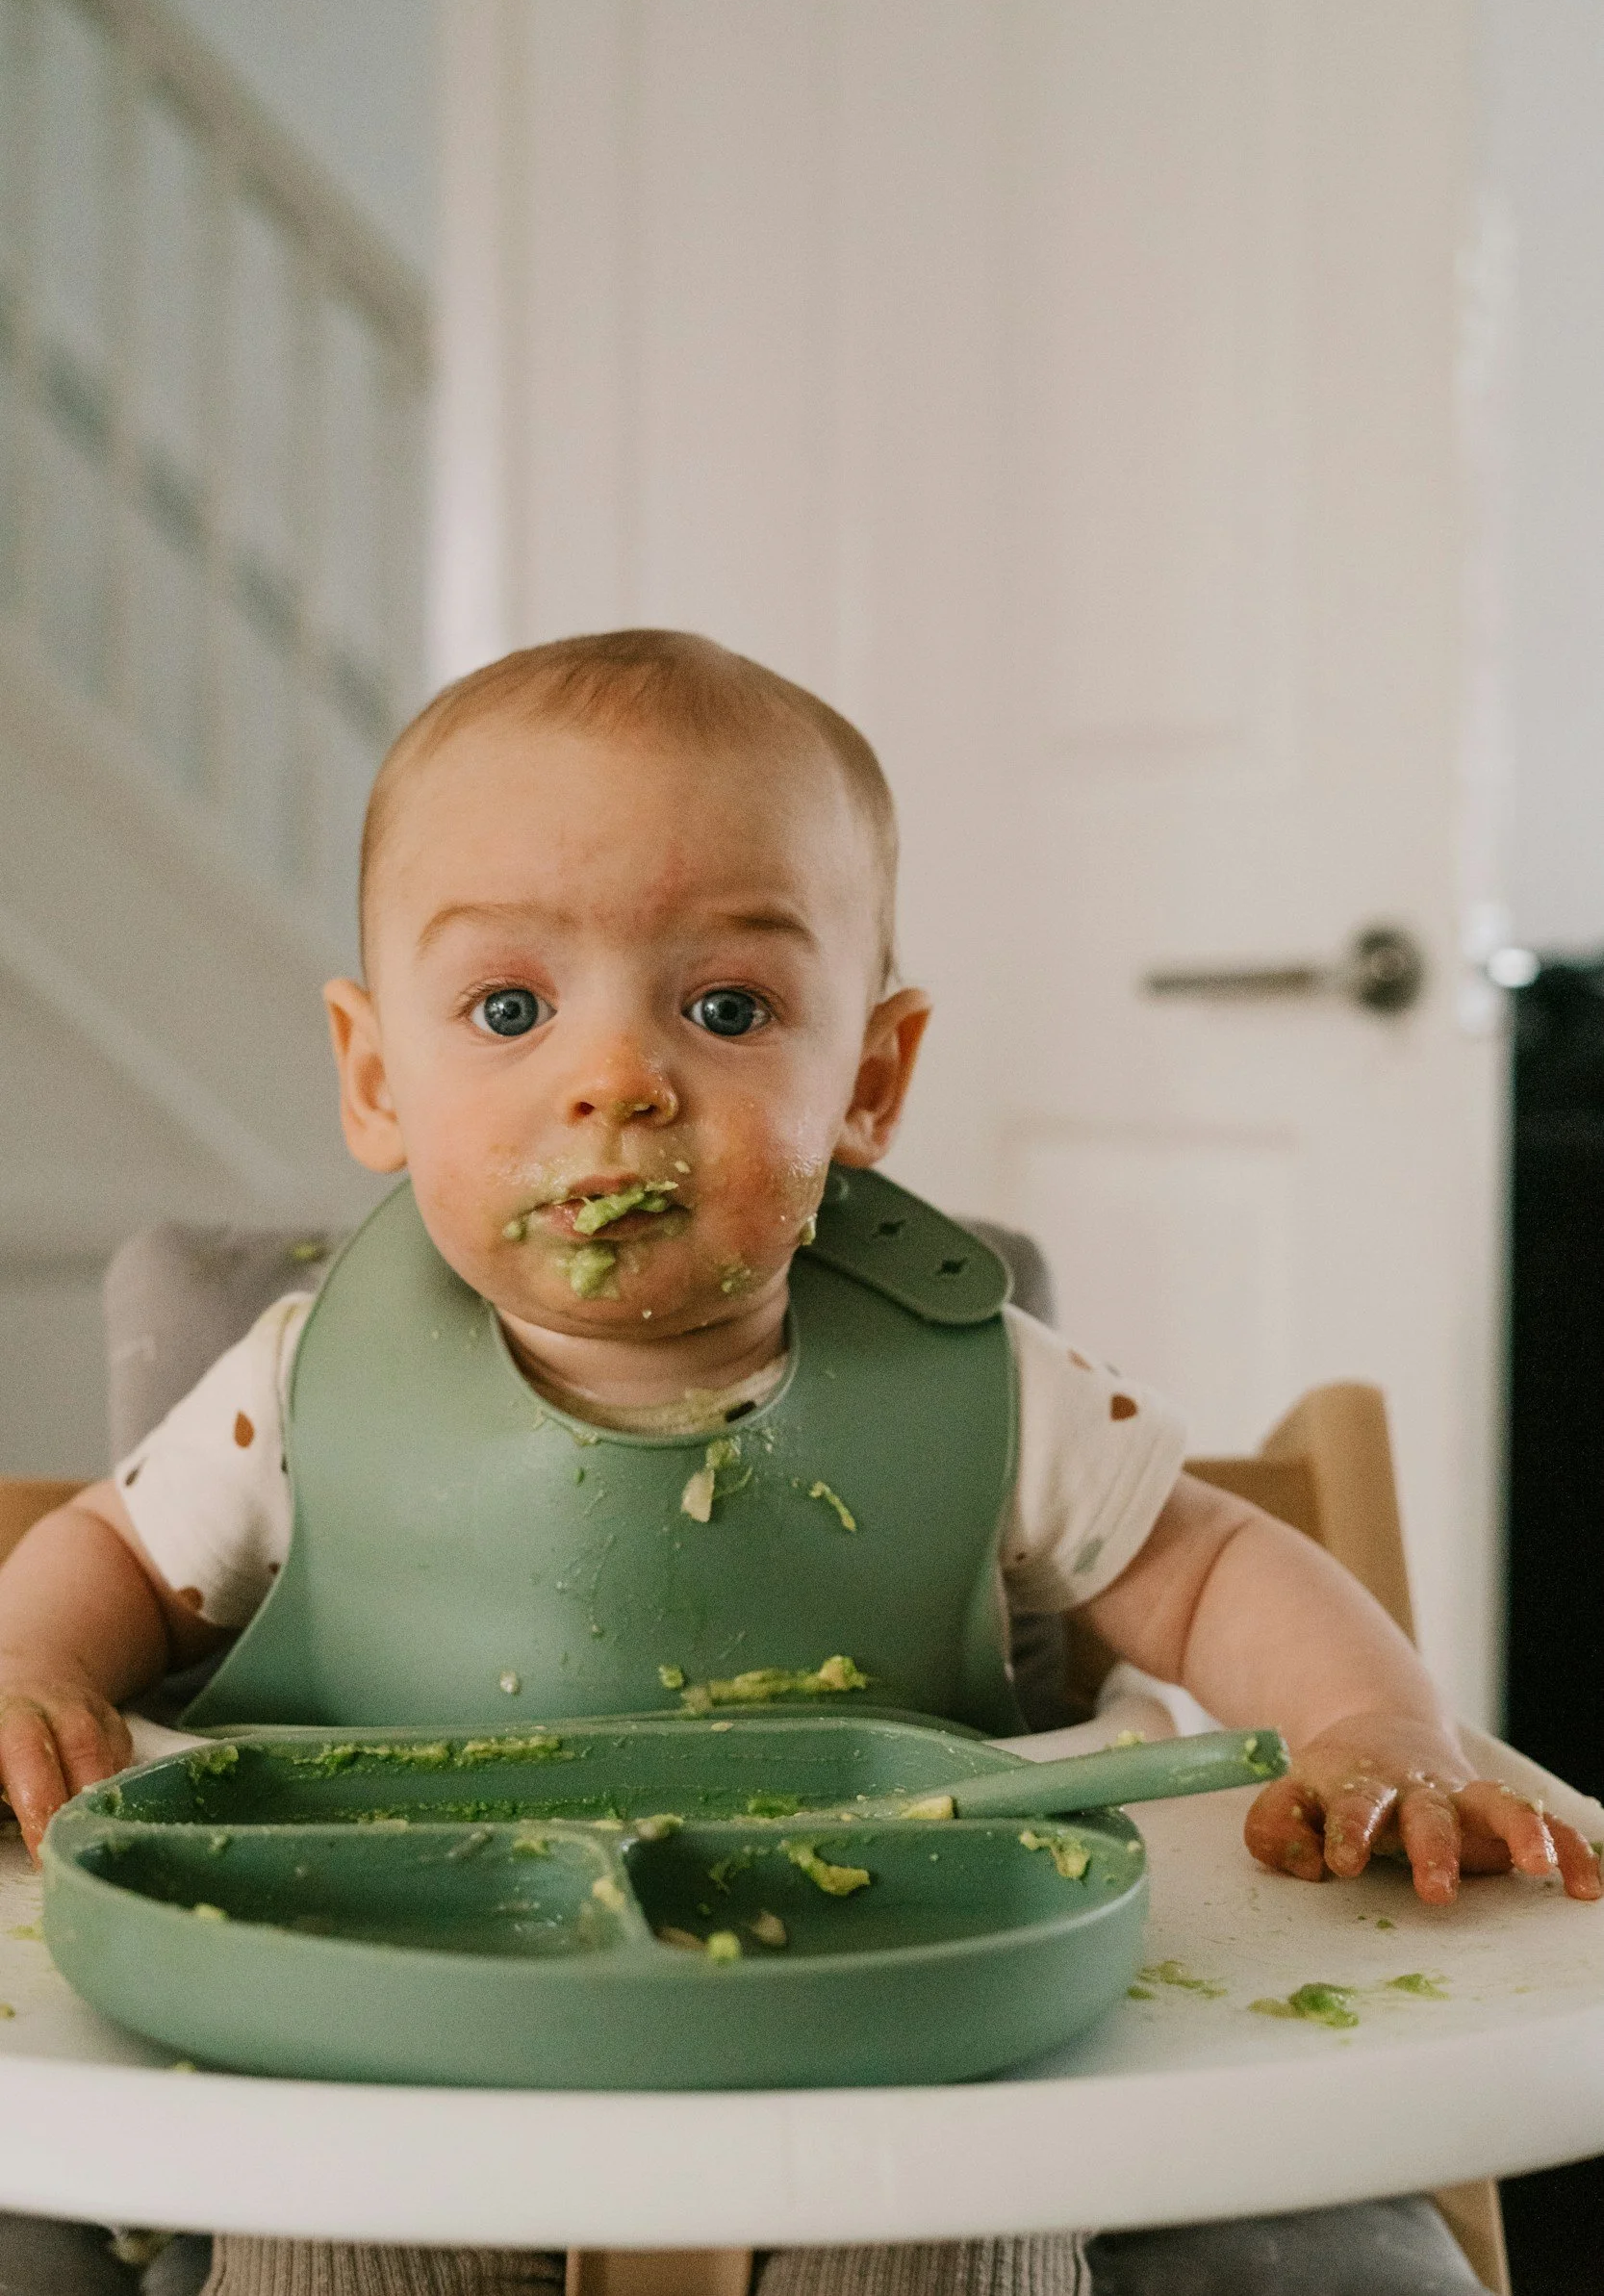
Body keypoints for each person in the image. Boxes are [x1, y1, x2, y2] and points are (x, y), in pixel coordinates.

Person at [0, 631, 1593, 2296]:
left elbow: (1202, 1564)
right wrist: (33, 1664)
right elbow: (114, 1552)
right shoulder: (304, 1382)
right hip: (379, 1990)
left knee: (950, 2217)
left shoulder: (975, 1387)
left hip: (898, 2000)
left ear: (871, 1078)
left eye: (728, 1008)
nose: (614, 1083)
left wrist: (1369, 1726)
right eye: (507, 1008)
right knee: (335, 2216)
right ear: (377, 1073)